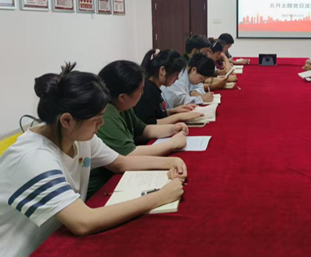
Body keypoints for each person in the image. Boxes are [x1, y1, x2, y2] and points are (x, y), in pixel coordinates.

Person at [0, 64, 186, 257]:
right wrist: (160, 197)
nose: (102, 124)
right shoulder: (33, 158)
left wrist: (170, 163)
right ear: (67, 120)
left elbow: (120, 163)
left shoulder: (77, 136)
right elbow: (83, 222)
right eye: (97, 119)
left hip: (56, 238)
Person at [89, 61, 193, 196]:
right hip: (102, 186)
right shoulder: (106, 115)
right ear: (123, 97)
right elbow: (129, 155)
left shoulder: (123, 106)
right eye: (140, 90)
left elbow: (143, 129)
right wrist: (172, 144)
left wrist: (173, 128)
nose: (142, 93)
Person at [134, 49, 203, 125]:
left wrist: (173, 111)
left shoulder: (154, 87)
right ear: (162, 70)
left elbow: (158, 113)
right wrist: (179, 116)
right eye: (176, 74)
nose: (177, 78)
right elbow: (149, 124)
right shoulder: (146, 90)